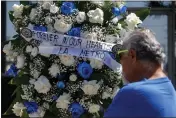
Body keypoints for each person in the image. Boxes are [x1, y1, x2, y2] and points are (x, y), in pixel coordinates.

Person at [104, 28, 176, 117]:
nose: (120, 64)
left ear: (132, 55)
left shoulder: (132, 92)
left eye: (120, 56)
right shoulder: (169, 88)